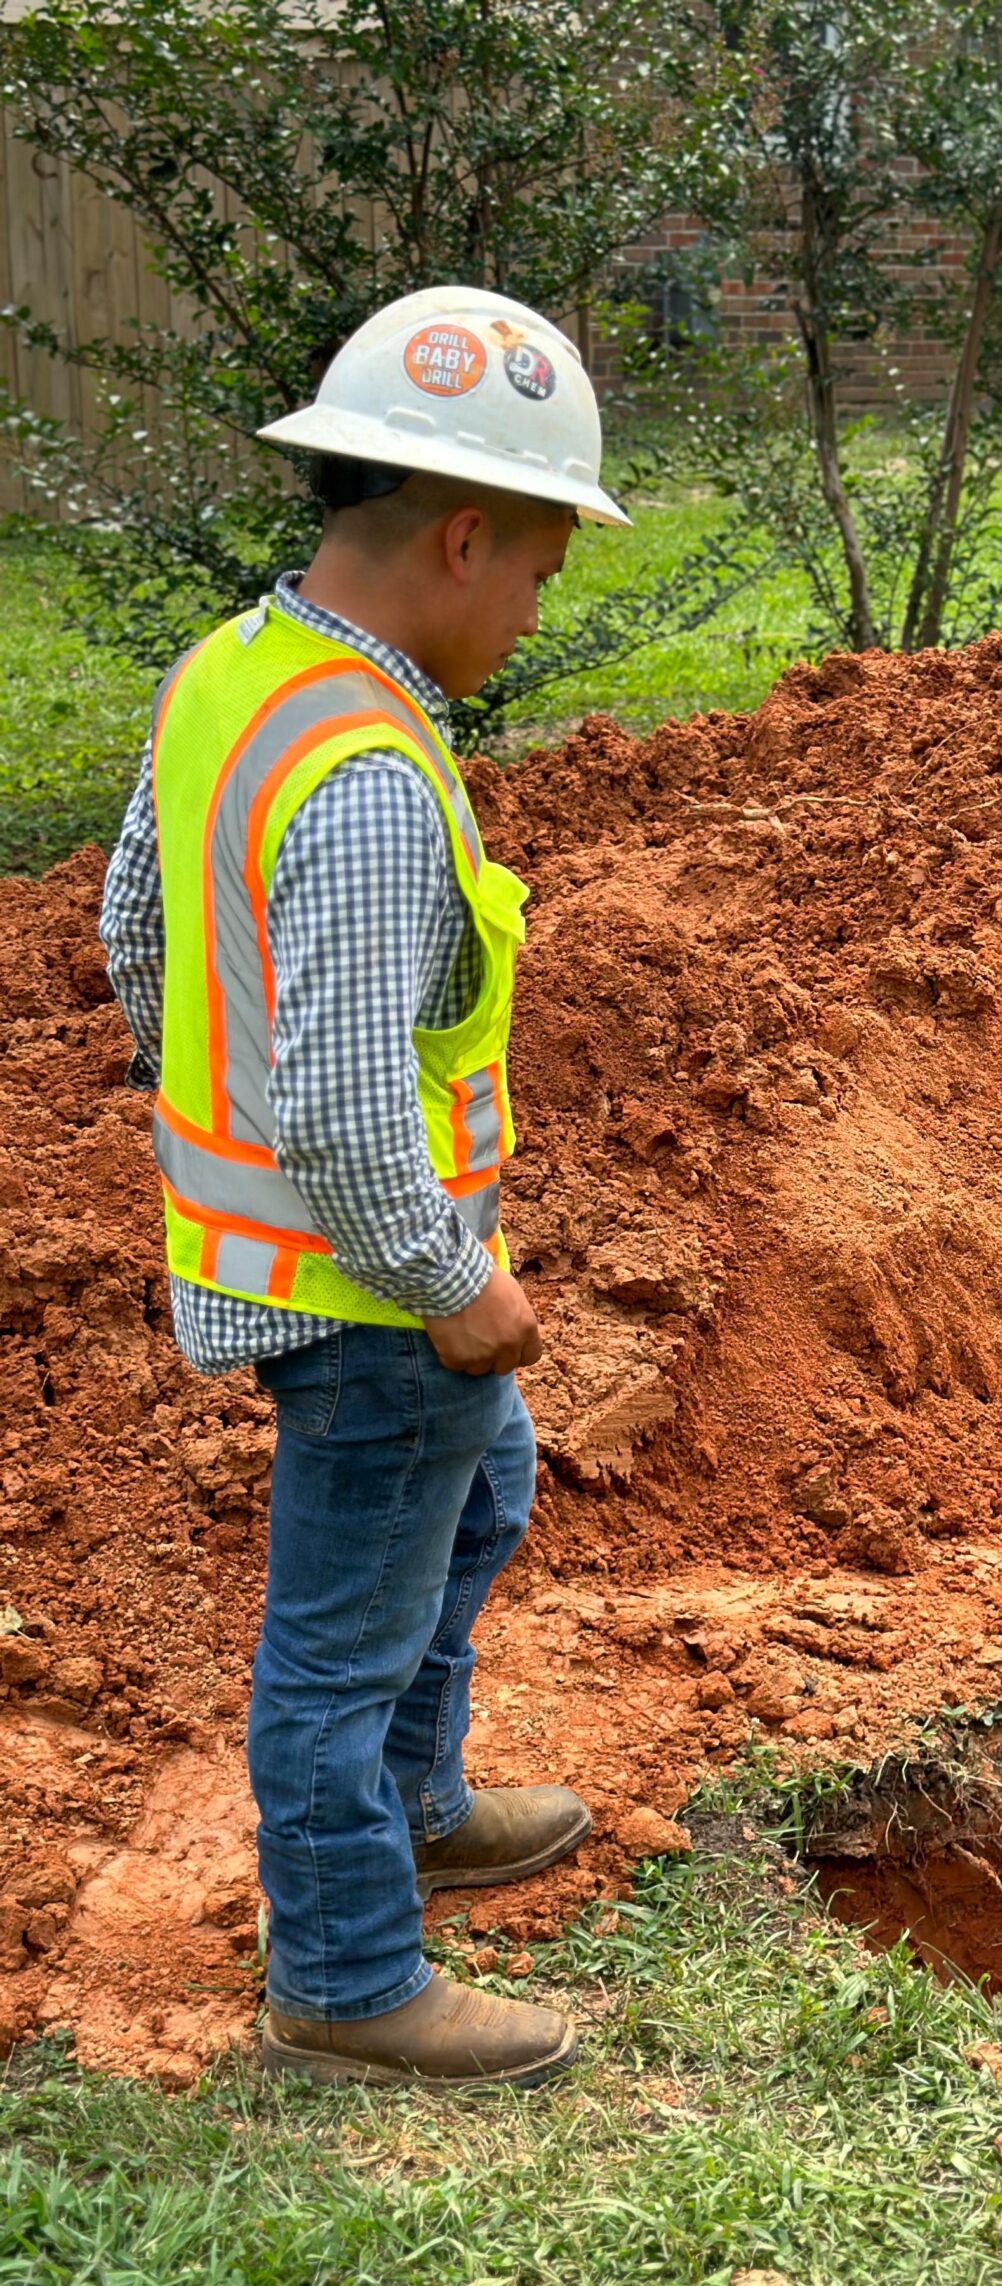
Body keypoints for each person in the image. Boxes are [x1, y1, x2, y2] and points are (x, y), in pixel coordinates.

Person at [99, 287, 632, 2089]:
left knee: (481, 1507)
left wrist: (223, 1083)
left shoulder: (231, 674)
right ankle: (345, 1974)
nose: (539, 607)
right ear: (466, 534)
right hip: (368, 1289)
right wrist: (444, 1278)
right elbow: (333, 1099)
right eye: (543, 570)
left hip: (315, 1260)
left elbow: (133, 930)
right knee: (334, 1650)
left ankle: (420, 1802)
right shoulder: (376, 778)